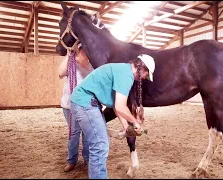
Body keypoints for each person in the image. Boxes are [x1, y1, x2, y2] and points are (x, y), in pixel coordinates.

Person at [70, 54, 155, 179]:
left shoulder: (123, 70)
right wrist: (135, 123)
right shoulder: (126, 76)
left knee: (101, 144)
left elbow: (116, 106)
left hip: (86, 102)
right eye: (146, 75)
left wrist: (126, 126)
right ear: (142, 68)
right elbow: (120, 106)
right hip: (85, 102)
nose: (144, 78)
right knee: (100, 146)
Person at [58, 43, 94, 172]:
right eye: (79, 50)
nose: (81, 52)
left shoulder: (92, 66)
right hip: (69, 105)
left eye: (83, 50)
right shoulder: (71, 64)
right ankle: (71, 160)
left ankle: (87, 159)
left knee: (86, 133)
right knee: (74, 133)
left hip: (86, 105)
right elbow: (60, 73)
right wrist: (68, 55)